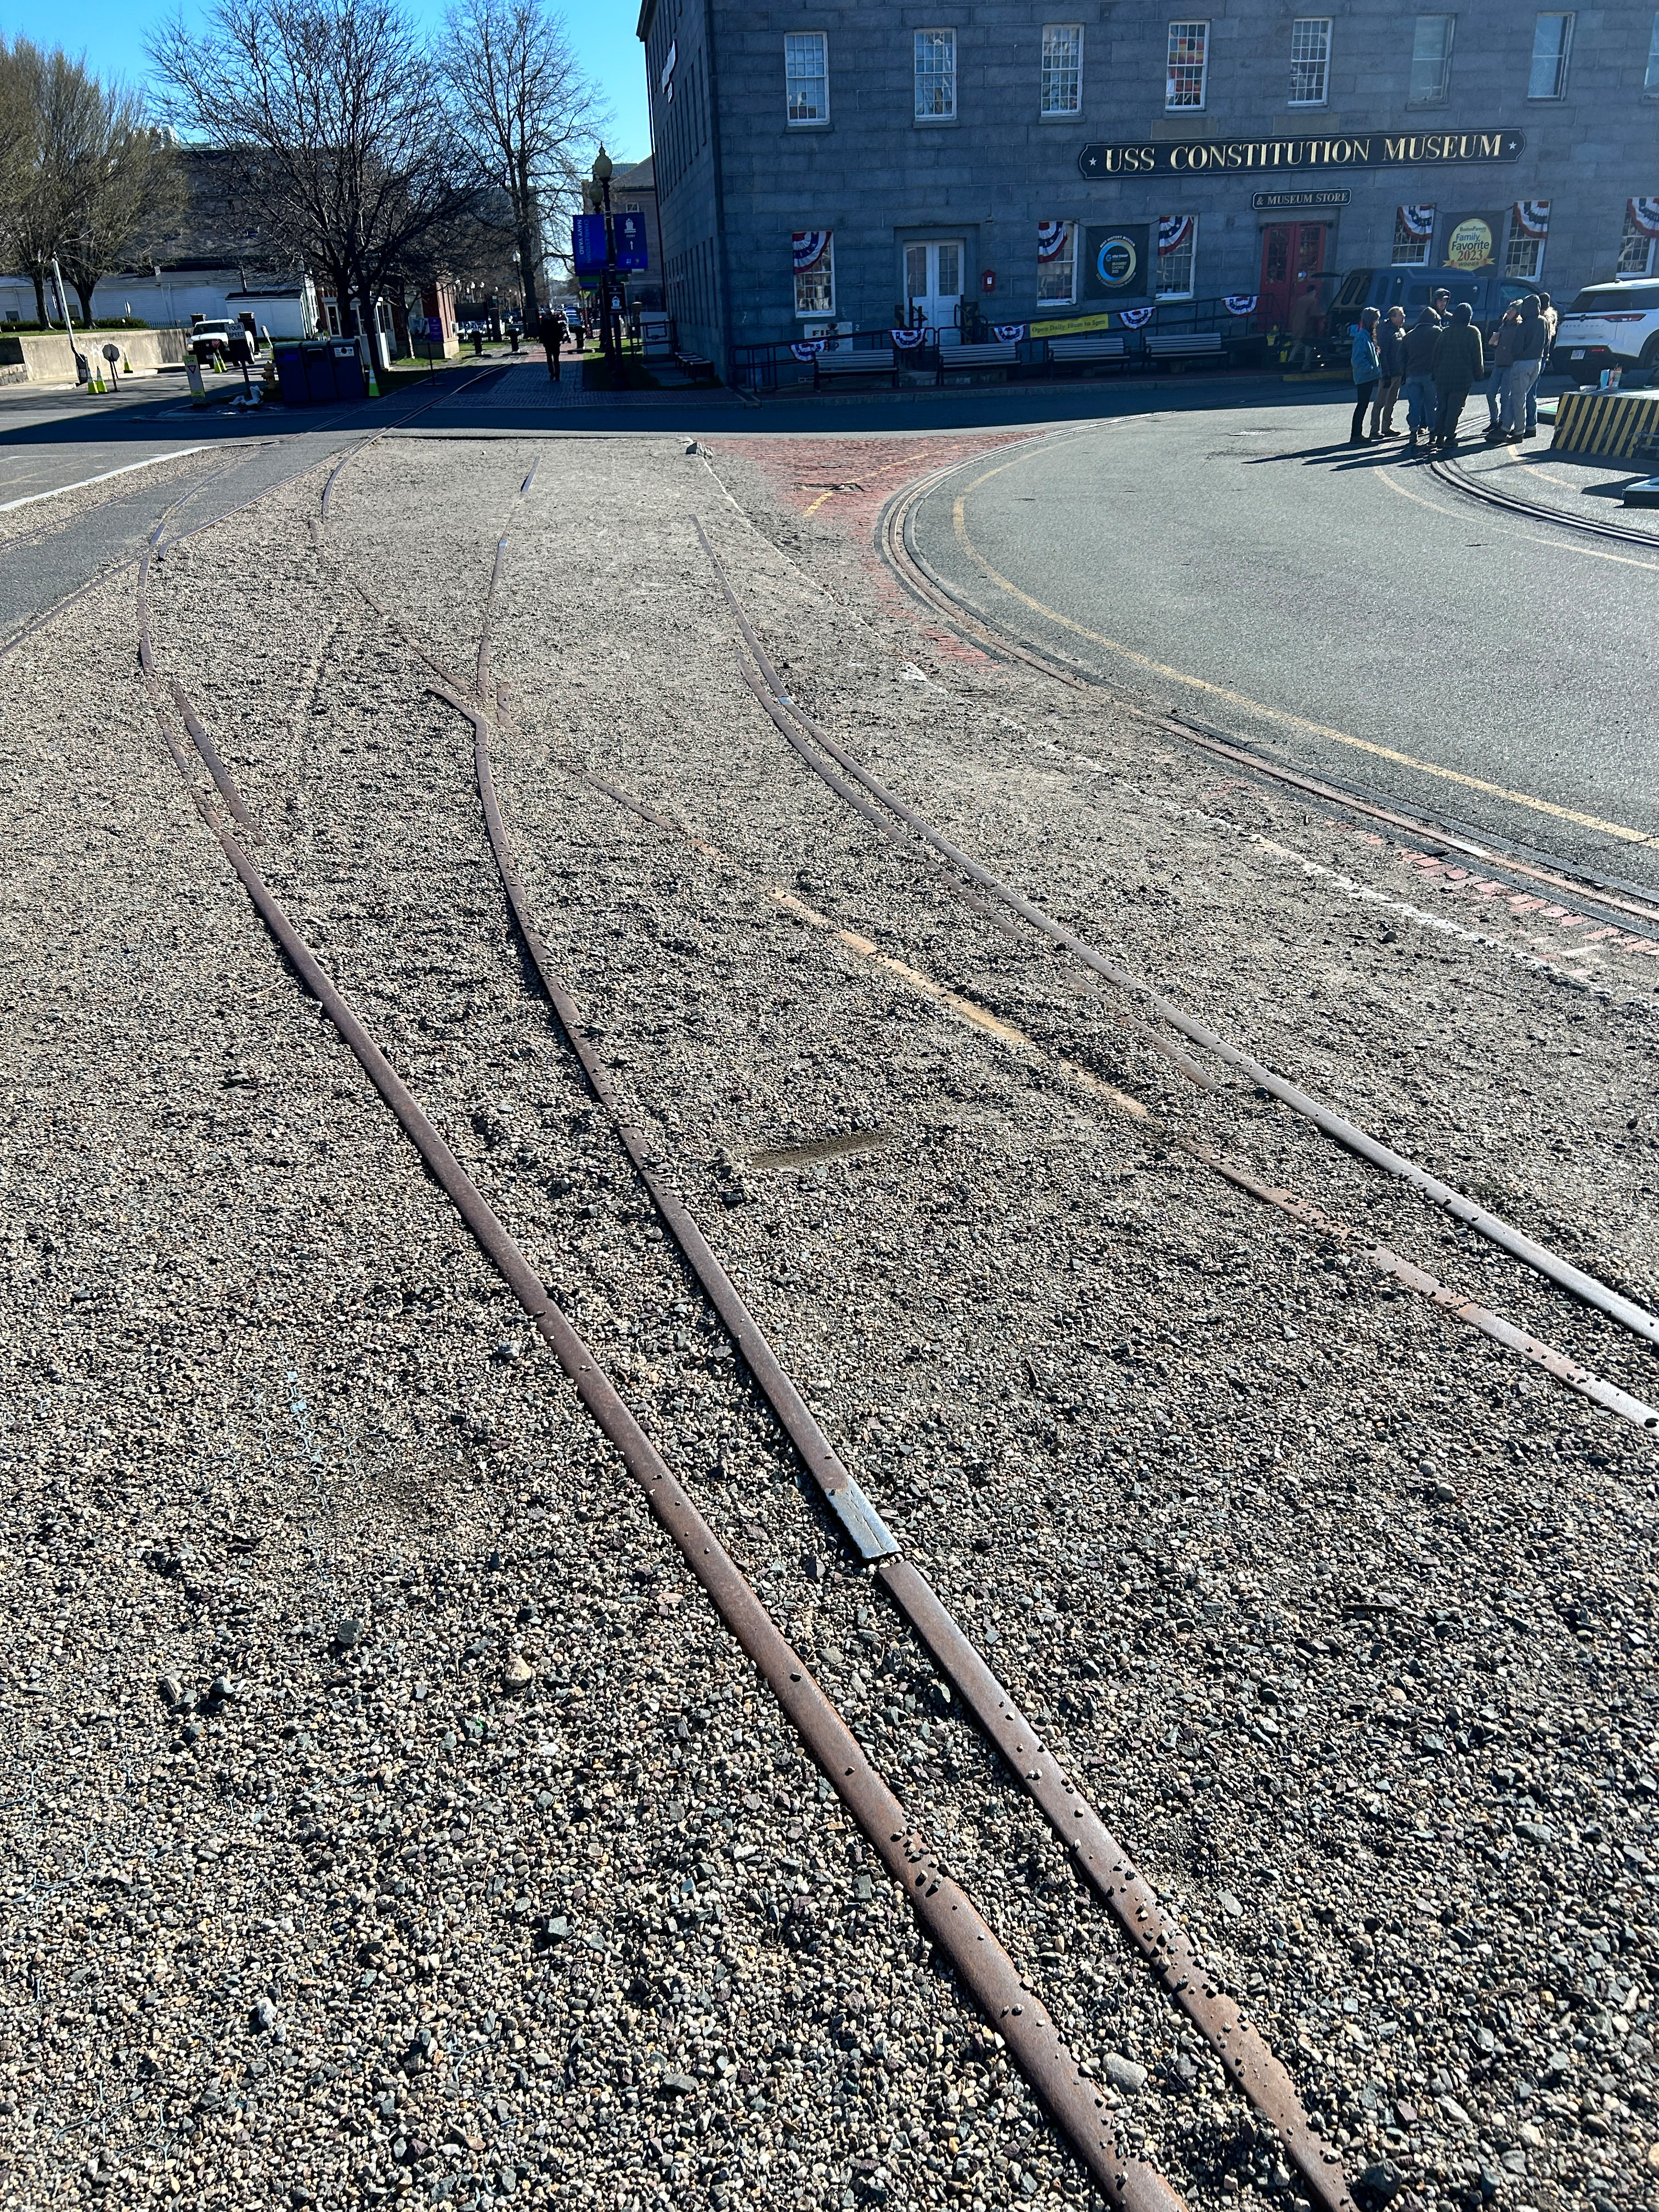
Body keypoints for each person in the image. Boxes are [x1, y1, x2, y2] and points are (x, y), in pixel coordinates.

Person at [1431, 301, 1485, 450]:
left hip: (1442, 376)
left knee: (1442, 406)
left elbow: (1436, 354)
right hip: (1462, 377)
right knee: (1455, 408)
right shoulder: (1473, 332)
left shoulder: (1446, 332)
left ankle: (1439, 435)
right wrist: (1479, 374)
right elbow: (1477, 356)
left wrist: (1434, 373)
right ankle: (1449, 436)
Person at [1504, 292, 1548, 441]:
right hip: (1537, 362)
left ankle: (1518, 431)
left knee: (1517, 399)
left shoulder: (1524, 326)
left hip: (1522, 364)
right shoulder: (1543, 322)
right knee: (1519, 397)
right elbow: (1546, 342)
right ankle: (1505, 427)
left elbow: (1516, 349)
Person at [1401, 302, 1442, 450]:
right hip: (1430, 375)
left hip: (1412, 375)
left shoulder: (1408, 336)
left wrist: (1405, 373)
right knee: (1431, 405)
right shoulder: (1437, 332)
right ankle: (1432, 432)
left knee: (1414, 405)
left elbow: (1401, 358)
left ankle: (1413, 432)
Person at [1485, 301, 1525, 442]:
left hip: (1510, 366)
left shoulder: (1519, 327)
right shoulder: (1503, 326)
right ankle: (1493, 420)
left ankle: (1502, 422)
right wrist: (1493, 342)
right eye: (1509, 308)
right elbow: (1496, 345)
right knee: (1490, 393)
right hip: (1498, 364)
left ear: (1518, 313)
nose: (1509, 311)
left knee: (1505, 396)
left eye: (1513, 310)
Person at [1371, 304, 1407, 437]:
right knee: (1380, 402)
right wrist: (1385, 373)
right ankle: (1375, 429)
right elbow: (1383, 353)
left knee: (1392, 401)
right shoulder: (1386, 331)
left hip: (1398, 373)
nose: (1404, 317)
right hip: (1389, 373)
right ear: (1393, 317)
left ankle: (1387, 427)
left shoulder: (1401, 331)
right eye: (1401, 315)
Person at [1349, 304, 1381, 443]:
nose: (1377, 323)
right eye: (1376, 320)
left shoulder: (1366, 335)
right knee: (1362, 405)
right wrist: (1371, 369)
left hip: (1368, 376)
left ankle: (1357, 434)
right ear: (1370, 321)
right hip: (1364, 377)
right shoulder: (1362, 337)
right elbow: (1358, 360)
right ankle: (1356, 435)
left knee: (1363, 404)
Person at [1528, 290, 1556, 438]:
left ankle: (1530, 424)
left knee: (1529, 392)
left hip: (1536, 358)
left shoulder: (1541, 320)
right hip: (1544, 358)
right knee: (1532, 391)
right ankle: (1531, 423)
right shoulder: (1551, 318)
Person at [538, 304, 566, 383]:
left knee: (551, 359)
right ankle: (556, 375)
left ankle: (554, 373)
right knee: (555, 360)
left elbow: (541, 333)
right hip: (554, 343)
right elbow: (560, 333)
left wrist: (543, 340)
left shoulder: (545, 323)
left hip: (549, 343)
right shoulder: (555, 323)